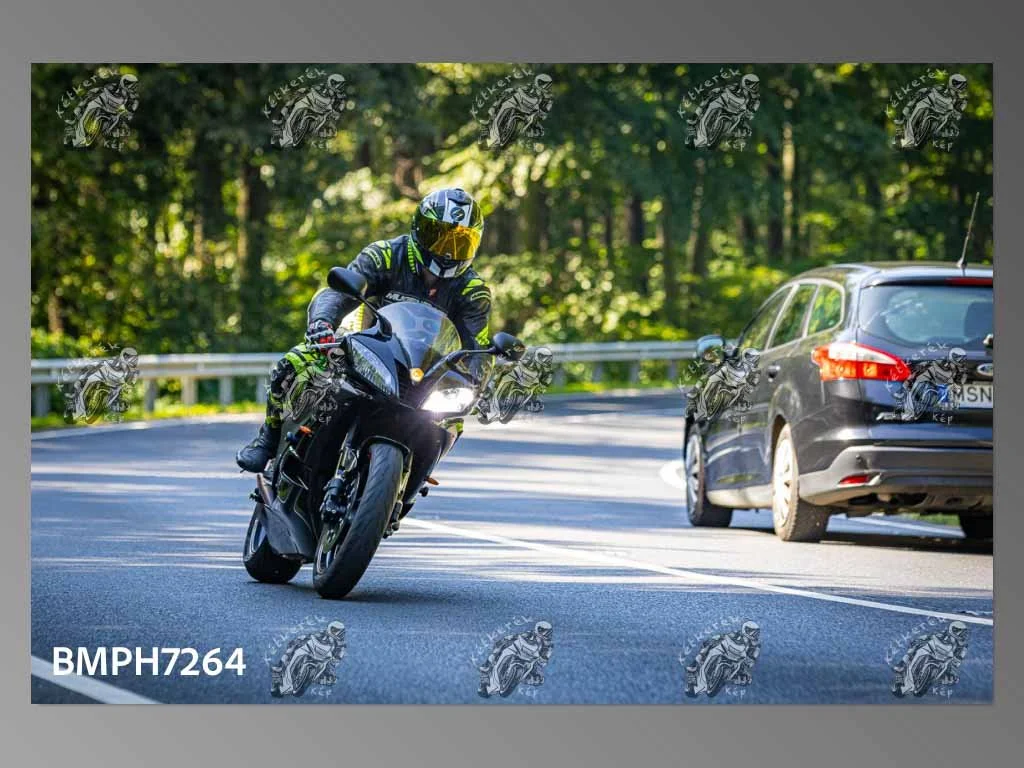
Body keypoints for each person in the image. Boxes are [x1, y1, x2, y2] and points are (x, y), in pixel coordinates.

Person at [236, 187, 492, 473]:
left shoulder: (473, 290)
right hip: (366, 346)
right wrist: (322, 323)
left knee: (453, 418)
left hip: (426, 371)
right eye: (438, 235)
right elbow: (337, 293)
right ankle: (267, 438)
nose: (446, 250)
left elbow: (478, 345)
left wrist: (477, 381)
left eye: (460, 242)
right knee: (296, 362)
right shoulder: (386, 255)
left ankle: (411, 476)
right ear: (419, 228)